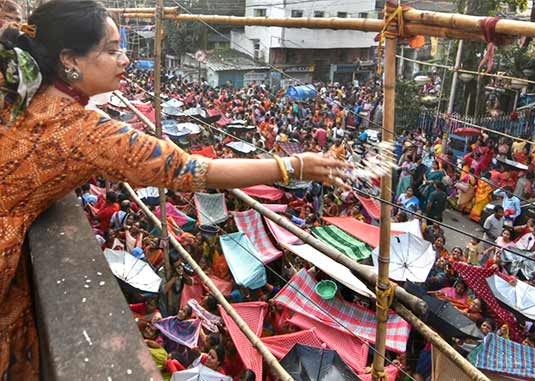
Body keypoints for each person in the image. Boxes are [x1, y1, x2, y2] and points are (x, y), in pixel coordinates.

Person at [0, 2, 353, 377]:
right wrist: (293, 165)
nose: (124, 60)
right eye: (111, 49)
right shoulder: (86, 132)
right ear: (70, 59)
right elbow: (194, 169)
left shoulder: (22, 94)